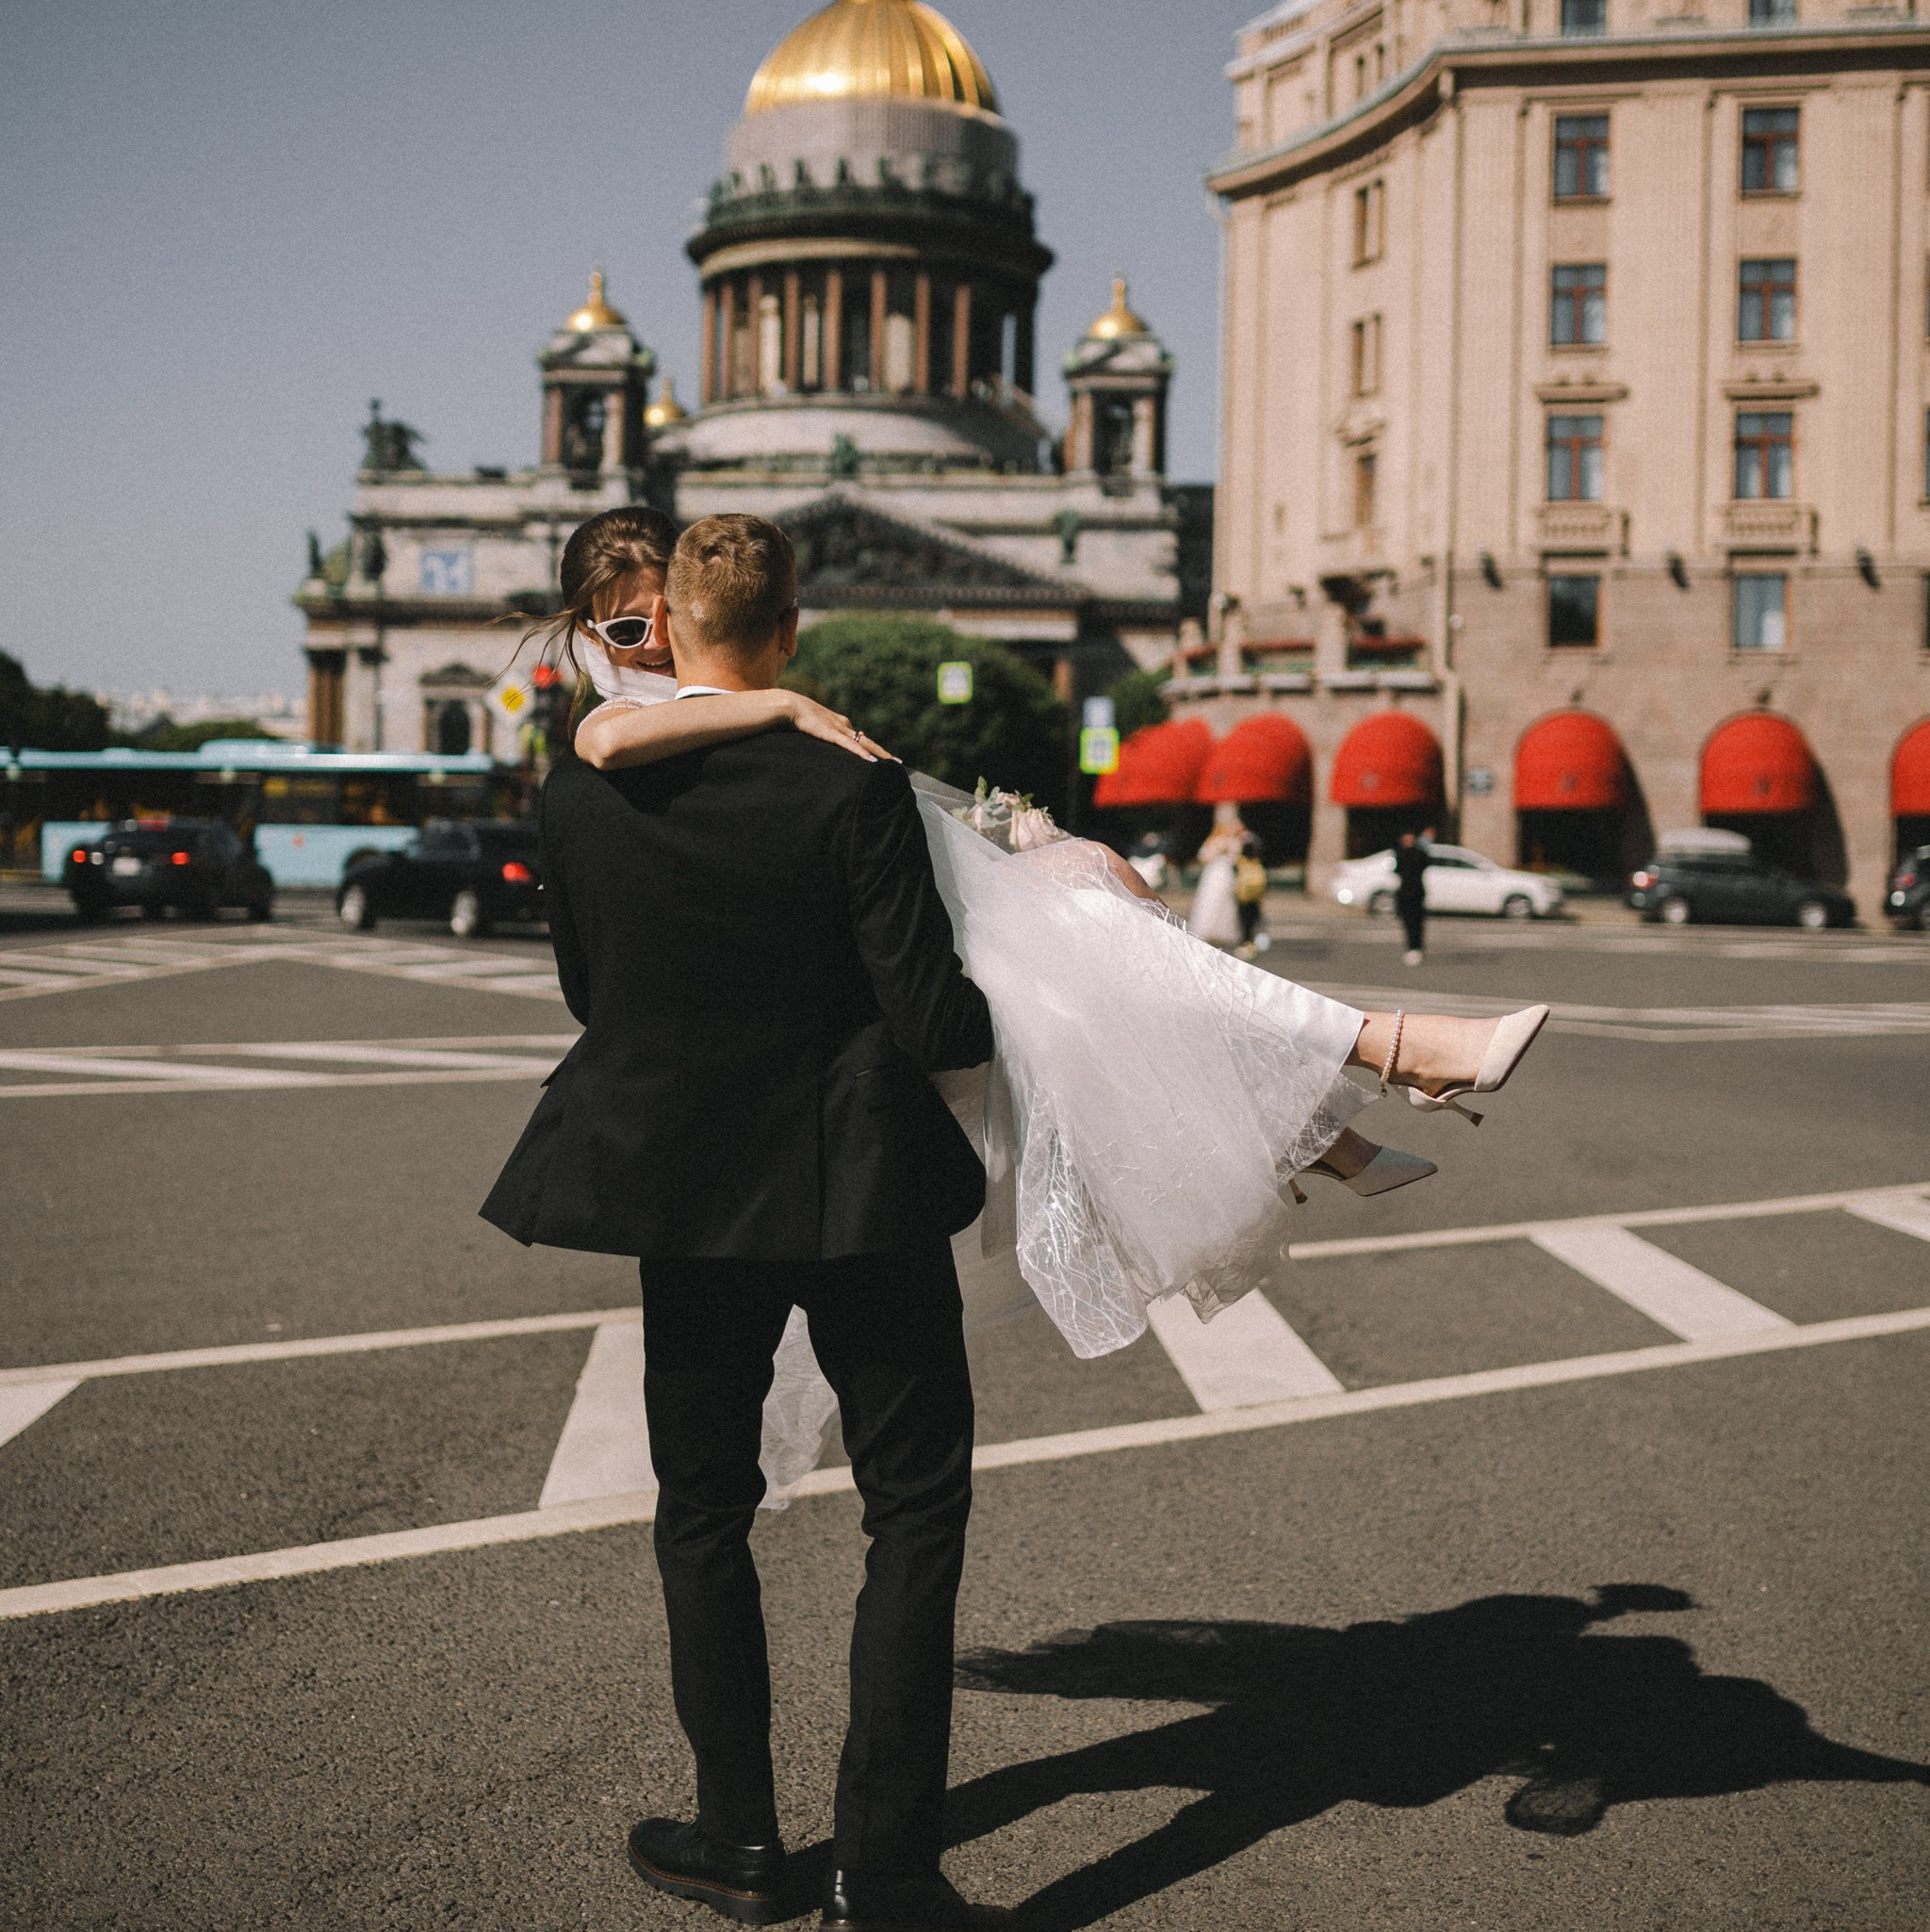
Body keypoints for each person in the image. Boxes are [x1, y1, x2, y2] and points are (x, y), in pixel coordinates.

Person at [554, 507, 1550, 1346]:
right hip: (782, 1078)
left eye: (659, 621)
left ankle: (1322, 1116)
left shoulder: (723, 717)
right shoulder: (624, 726)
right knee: (1083, 920)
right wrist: (779, 703)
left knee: (1096, 893)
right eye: (627, 633)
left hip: (835, 943)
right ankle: (1368, 1068)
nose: (650, 645)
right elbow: (604, 739)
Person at [482, 512, 1023, 1932]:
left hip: (688, 1192)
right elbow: (935, 1024)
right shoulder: (852, 782)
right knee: (913, 1506)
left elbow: (593, 996)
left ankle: (737, 1839)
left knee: (702, 1509)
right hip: (860, 1191)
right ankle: (887, 1873)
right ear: (790, 632)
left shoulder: (578, 793)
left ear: (669, 624)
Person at [1188, 804, 1249, 946]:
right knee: (1210, 899)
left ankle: (1224, 931)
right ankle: (1207, 929)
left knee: (1226, 901)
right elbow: (1203, 856)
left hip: (1226, 873)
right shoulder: (1214, 841)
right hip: (1214, 873)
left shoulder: (1235, 841)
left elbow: (1237, 857)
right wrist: (1217, 849)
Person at [1395, 826, 1431, 966]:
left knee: (1417, 922)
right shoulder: (1400, 853)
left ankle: (1417, 948)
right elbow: (1397, 869)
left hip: (1416, 892)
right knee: (1408, 922)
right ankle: (1410, 947)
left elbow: (1425, 862)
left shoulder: (1419, 853)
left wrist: (1423, 843)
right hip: (1404, 892)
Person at [1234, 834, 1270, 958]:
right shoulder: (1257, 863)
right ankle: (1251, 945)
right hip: (1254, 898)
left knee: (1245, 924)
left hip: (1244, 898)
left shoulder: (1241, 863)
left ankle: (1247, 945)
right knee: (1253, 922)